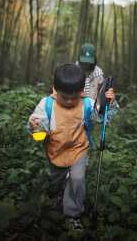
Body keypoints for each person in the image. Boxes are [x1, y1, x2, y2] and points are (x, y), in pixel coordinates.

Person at [27, 63, 118, 231]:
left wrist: (109, 103)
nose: (69, 101)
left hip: (79, 149)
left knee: (77, 179)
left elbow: (101, 117)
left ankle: (73, 213)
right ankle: (55, 191)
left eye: (74, 97)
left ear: (82, 91)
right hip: (56, 151)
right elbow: (38, 128)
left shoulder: (87, 104)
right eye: (64, 97)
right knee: (57, 178)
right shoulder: (46, 104)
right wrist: (35, 126)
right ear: (55, 89)